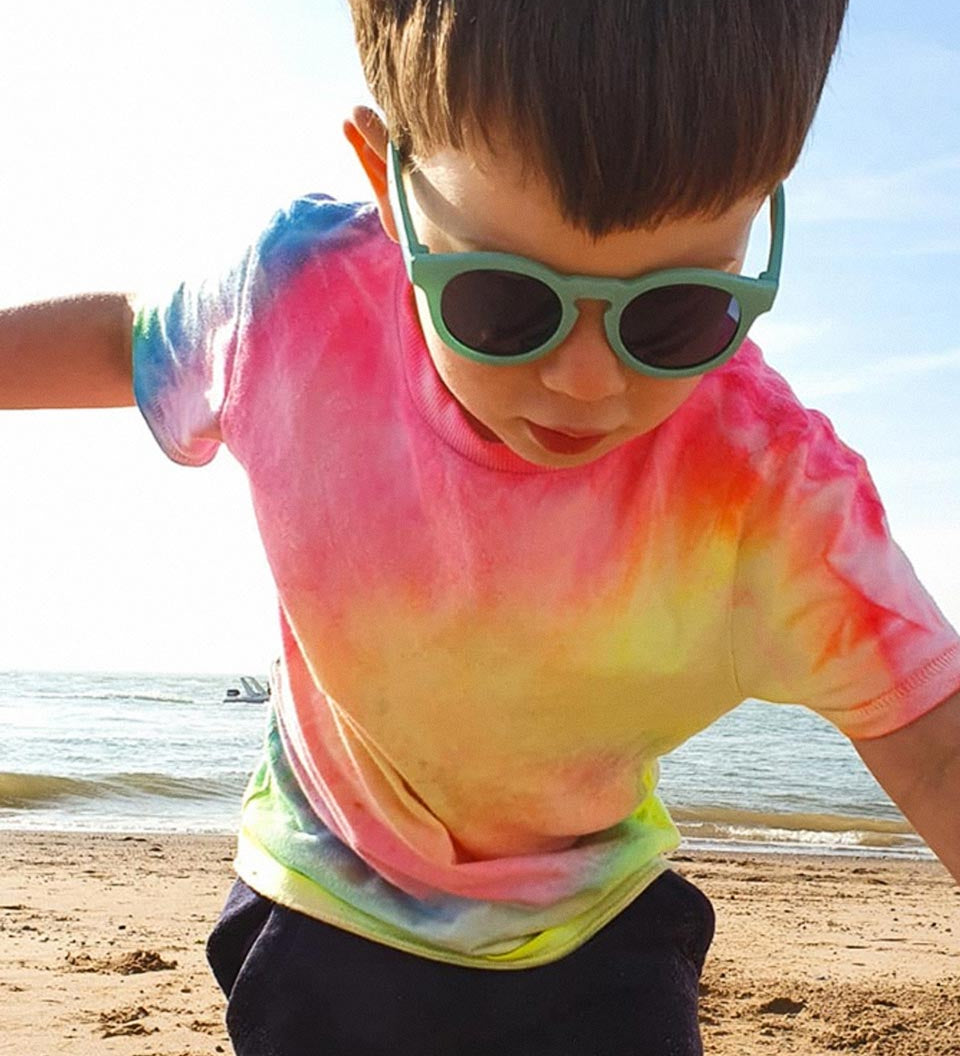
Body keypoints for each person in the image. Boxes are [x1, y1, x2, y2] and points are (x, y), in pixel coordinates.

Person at [2, 2, 959, 1053]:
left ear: (760, 218)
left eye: (674, 313)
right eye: (503, 302)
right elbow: (121, 338)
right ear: (389, 184)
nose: (587, 382)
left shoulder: (765, 491)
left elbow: (936, 743)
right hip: (326, 898)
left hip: (595, 929)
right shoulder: (295, 300)